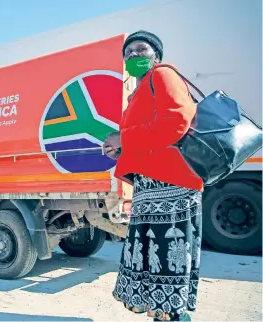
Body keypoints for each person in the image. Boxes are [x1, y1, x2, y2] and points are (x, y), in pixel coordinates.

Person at [104, 30, 203, 321]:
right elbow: (149, 140)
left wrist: (123, 138)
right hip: (152, 187)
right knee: (154, 265)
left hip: (172, 185)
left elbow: (175, 122)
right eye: (129, 52)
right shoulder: (139, 91)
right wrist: (121, 150)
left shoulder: (163, 75)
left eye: (141, 49)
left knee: (168, 265)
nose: (134, 55)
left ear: (155, 55)